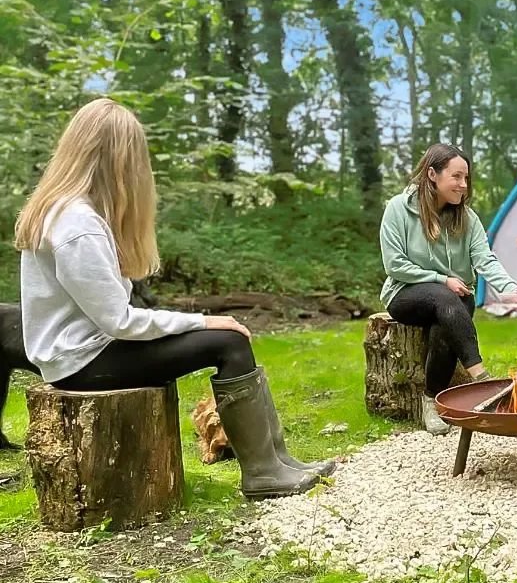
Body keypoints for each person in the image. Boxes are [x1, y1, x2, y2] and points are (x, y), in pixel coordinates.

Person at [15, 98, 335, 499]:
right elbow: (119, 322)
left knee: (228, 338)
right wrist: (201, 321)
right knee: (228, 342)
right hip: (82, 363)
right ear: (116, 158)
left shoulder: (66, 211)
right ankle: (265, 473)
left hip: (79, 355)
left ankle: (279, 460)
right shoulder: (78, 224)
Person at [379, 143, 517, 435]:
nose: (463, 184)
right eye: (456, 177)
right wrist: (441, 278)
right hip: (406, 294)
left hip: (453, 300)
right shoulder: (398, 208)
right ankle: (482, 379)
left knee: (445, 322)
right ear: (432, 174)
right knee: (444, 297)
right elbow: (394, 265)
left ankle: (431, 401)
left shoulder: (466, 217)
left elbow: (484, 259)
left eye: (466, 178)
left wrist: (509, 288)